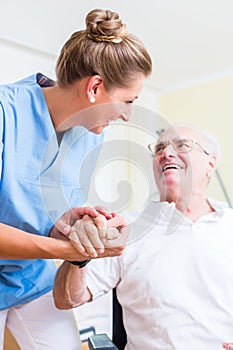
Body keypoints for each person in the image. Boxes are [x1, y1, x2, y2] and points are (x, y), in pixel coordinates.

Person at [0, 8, 152, 350]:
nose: (127, 115)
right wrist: (67, 249)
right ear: (95, 87)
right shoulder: (4, 112)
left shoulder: (90, 134)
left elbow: (47, 217)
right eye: (128, 101)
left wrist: (76, 225)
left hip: (28, 278)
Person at [53, 124, 233, 350]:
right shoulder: (126, 229)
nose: (166, 153)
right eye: (159, 149)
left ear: (210, 164)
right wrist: (78, 253)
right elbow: (66, 299)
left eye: (182, 145)